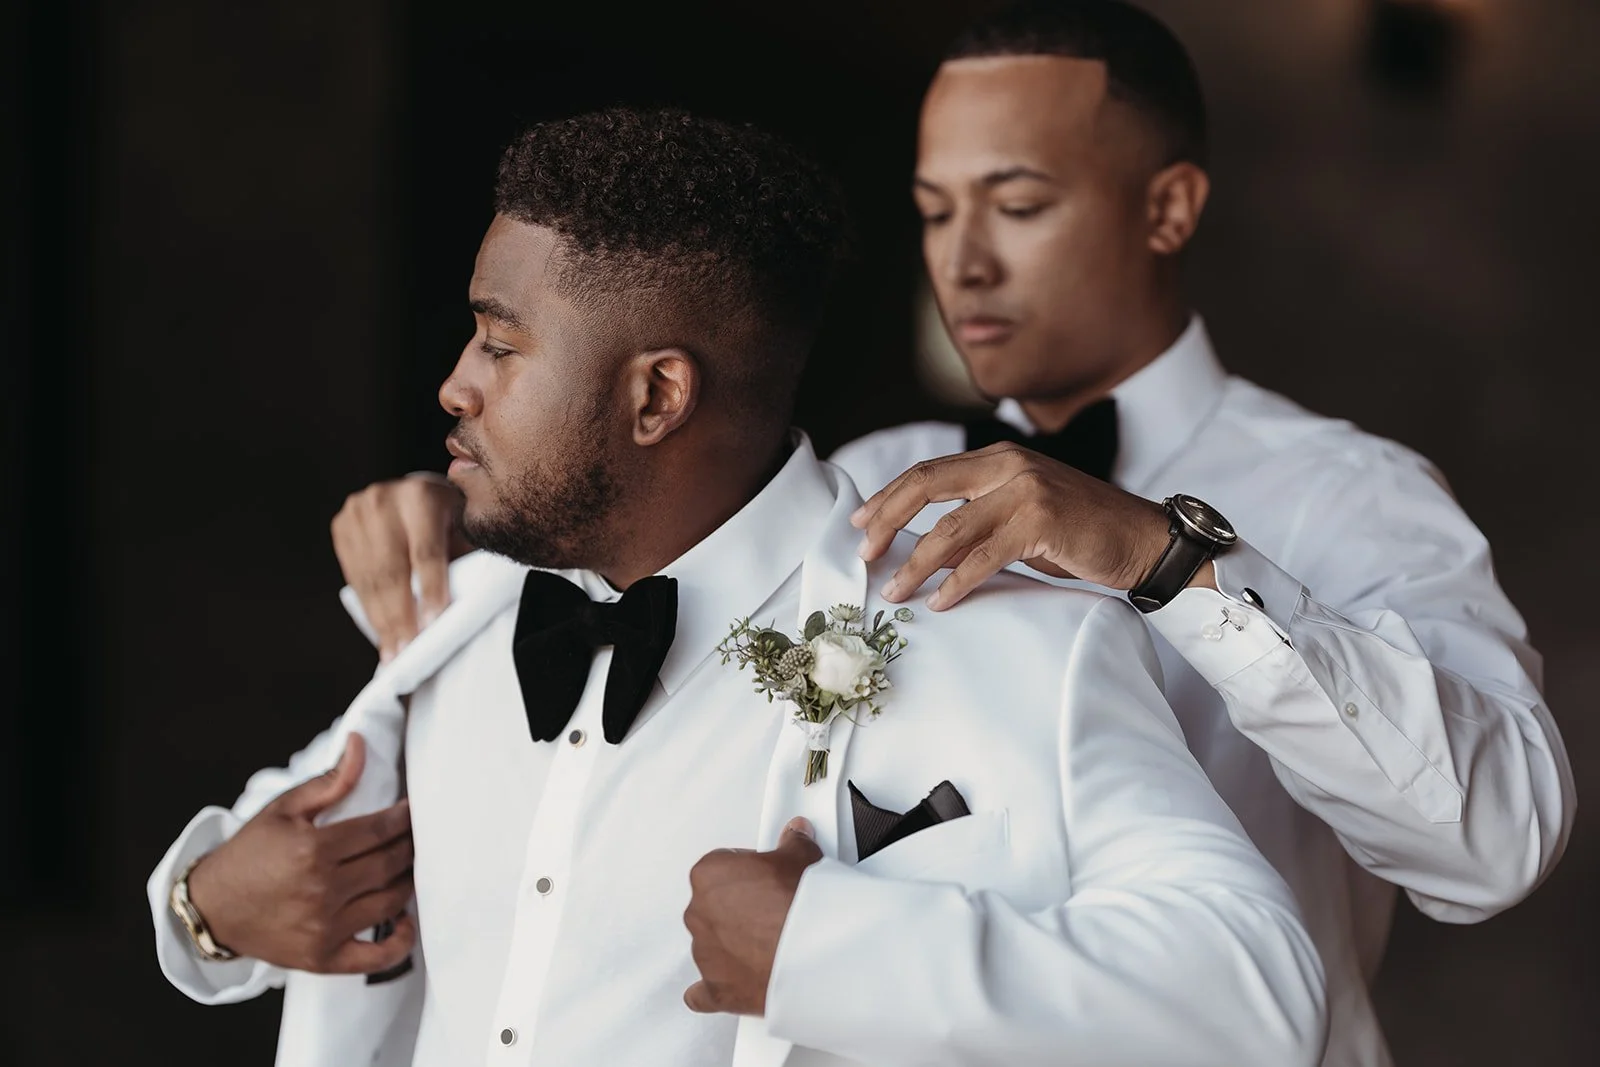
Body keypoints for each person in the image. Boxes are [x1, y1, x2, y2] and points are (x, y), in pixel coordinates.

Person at [329, 4, 1575, 1064]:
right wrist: (471, 516)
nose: (962, 261)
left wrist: (1162, 560)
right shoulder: (866, 492)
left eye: (1016, 203)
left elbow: (1493, 844)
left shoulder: (1349, 493)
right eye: (932, 210)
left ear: (1168, 208)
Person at [148, 107, 1327, 1066]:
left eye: (501, 344)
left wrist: (839, 949)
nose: (455, 384)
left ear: (657, 396)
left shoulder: (998, 635)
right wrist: (207, 907)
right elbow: (255, 874)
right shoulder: (456, 619)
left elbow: (1257, 991)